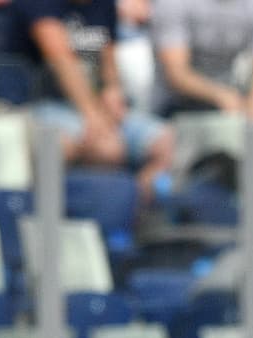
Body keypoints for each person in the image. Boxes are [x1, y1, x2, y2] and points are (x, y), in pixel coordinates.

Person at [14, 0, 175, 200]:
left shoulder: (103, 5)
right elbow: (61, 61)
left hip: (97, 106)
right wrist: (93, 116)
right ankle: (73, 211)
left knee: (165, 142)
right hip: (47, 106)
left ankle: (132, 207)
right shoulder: (40, 4)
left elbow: (108, 58)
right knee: (104, 149)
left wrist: (113, 91)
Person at [150, 0, 253, 123]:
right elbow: (176, 75)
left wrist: (251, 121)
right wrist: (223, 97)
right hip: (173, 103)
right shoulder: (175, 3)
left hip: (229, 101)